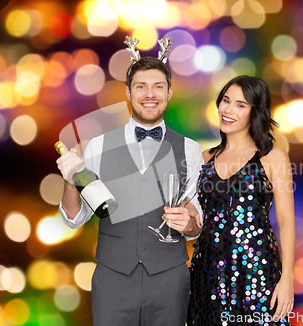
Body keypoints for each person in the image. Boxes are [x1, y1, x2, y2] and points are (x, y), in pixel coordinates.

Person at [56, 38, 203, 326]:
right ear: (128, 92)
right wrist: (70, 181)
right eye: (141, 86)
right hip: (112, 279)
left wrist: (190, 224)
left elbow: (195, 223)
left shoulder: (190, 149)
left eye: (158, 86)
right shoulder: (98, 146)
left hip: (170, 281)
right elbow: (74, 219)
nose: (150, 94)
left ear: (170, 92)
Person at [185, 76, 296, 325]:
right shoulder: (204, 158)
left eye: (240, 105)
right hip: (207, 272)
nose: (228, 110)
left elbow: (287, 221)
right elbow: (194, 215)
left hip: (257, 272)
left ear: (255, 112)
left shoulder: (273, 157)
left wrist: (287, 278)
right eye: (226, 101)